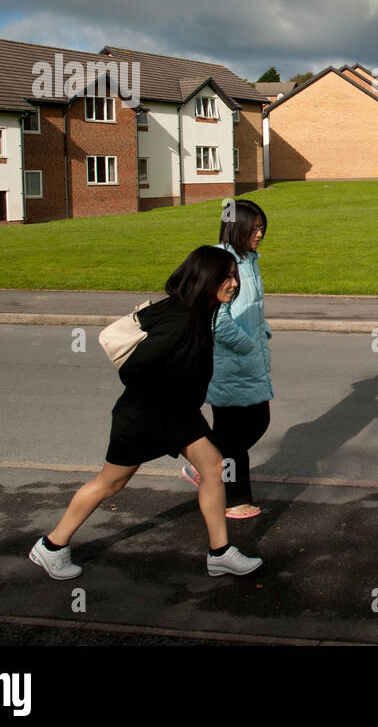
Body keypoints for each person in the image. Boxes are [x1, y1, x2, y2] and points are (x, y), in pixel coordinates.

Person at [29, 247, 263, 579]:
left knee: (212, 465)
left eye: (234, 276)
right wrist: (170, 392)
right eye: (226, 276)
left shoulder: (198, 313)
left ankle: (220, 552)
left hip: (178, 416)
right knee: (110, 484)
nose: (234, 284)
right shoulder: (179, 322)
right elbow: (133, 371)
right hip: (144, 419)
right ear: (205, 279)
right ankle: (51, 547)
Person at [182, 200, 272, 520]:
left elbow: (250, 308)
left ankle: (209, 469)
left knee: (252, 424)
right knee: (237, 433)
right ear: (236, 227)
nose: (260, 233)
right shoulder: (222, 262)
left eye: (262, 226)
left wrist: (263, 331)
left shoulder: (249, 260)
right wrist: (247, 345)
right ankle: (231, 498)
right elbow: (215, 319)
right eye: (254, 227)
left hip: (249, 359)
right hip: (228, 363)